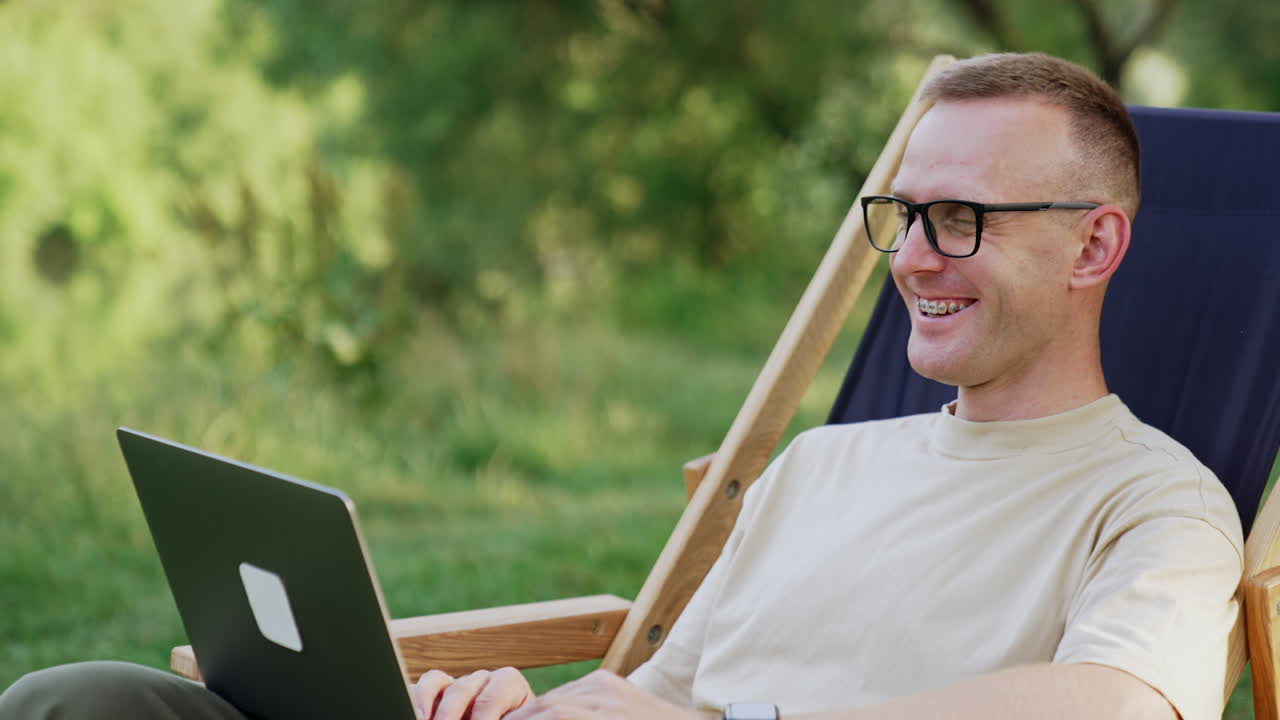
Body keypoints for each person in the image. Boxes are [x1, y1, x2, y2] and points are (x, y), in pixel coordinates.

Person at [0, 52, 1243, 720]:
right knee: (79, 698)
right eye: (902, 214)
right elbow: (650, 695)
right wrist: (519, 704)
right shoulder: (821, 463)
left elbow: (1116, 705)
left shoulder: (1153, 505)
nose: (912, 258)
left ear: (1092, 247)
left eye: (961, 218)